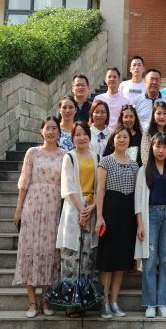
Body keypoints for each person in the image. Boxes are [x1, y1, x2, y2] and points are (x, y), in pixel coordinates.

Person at [13, 117, 66, 318]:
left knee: (49, 252)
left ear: (59, 132)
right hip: (32, 205)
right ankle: (32, 302)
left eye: (54, 128)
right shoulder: (32, 152)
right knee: (30, 249)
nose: (51, 132)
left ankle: (45, 301)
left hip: (54, 207)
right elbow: (24, 181)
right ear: (41, 131)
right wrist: (19, 209)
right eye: (47, 128)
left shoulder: (65, 155)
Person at [95, 125, 140, 319]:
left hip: (128, 214)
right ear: (113, 140)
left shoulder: (135, 165)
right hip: (110, 211)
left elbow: (137, 194)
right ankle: (104, 302)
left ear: (129, 141)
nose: (122, 140)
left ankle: (114, 300)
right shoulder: (105, 161)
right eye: (119, 137)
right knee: (108, 259)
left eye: (125, 137)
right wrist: (99, 216)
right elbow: (100, 190)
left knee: (122, 259)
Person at [56, 121, 100, 318]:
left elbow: (100, 187)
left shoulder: (97, 157)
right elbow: (68, 186)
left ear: (89, 136)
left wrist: (92, 208)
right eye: (77, 134)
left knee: (87, 257)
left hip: (91, 209)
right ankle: (69, 303)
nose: (81, 138)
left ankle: (82, 301)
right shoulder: (69, 157)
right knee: (72, 256)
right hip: (74, 209)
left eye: (84, 134)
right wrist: (82, 209)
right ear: (72, 137)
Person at [134, 132, 166, 319]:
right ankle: (150, 303)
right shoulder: (144, 170)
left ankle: (164, 303)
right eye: (158, 146)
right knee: (150, 260)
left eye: (164, 147)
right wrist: (140, 224)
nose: (161, 150)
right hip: (150, 216)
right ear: (151, 148)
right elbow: (138, 199)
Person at [141, 102, 166, 166]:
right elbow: (145, 158)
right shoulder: (147, 134)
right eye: (159, 113)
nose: (162, 117)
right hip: (150, 169)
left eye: (165, 113)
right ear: (153, 116)